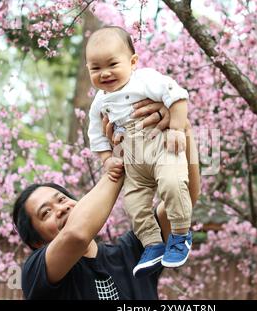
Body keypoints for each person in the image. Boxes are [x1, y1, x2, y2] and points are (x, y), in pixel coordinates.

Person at [12, 101, 201, 300]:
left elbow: (184, 195)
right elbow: (76, 234)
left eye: (61, 199)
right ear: (37, 242)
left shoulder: (134, 252)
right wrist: (120, 158)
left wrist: (180, 127)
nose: (60, 209)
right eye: (46, 213)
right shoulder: (35, 273)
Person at [86, 26, 193, 277]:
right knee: (134, 204)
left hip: (160, 145)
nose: (105, 73)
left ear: (132, 61)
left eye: (112, 64)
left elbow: (176, 97)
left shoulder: (145, 79)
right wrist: (106, 159)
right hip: (132, 158)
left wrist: (177, 128)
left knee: (172, 183)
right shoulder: (99, 101)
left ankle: (180, 233)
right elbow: (96, 135)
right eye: (95, 68)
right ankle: (153, 244)